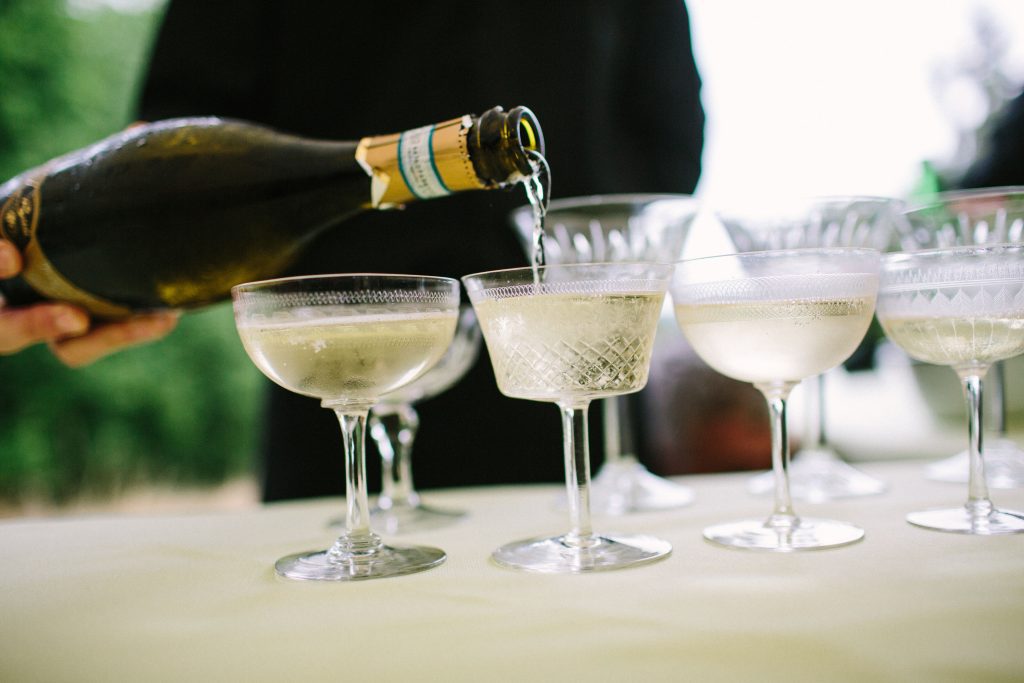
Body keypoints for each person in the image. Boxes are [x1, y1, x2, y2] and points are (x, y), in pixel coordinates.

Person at [1, 0, 705, 501]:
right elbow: (176, 148)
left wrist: (601, 276)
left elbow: (670, 126)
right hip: (334, 374)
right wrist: (101, 270)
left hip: (565, 393)